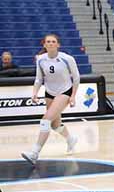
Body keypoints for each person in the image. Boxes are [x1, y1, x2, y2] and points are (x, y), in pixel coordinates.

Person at [21, 34, 79, 165]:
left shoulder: (67, 59)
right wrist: (34, 93)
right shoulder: (41, 59)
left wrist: (73, 96)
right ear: (44, 45)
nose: (51, 43)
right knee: (54, 125)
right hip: (49, 92)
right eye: (48, 42)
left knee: (45, 120)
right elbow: (39, 79)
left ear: (58, 45)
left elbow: (76, 78)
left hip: (65, 91)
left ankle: (34, 153)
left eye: (53, 41)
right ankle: (71, 139)